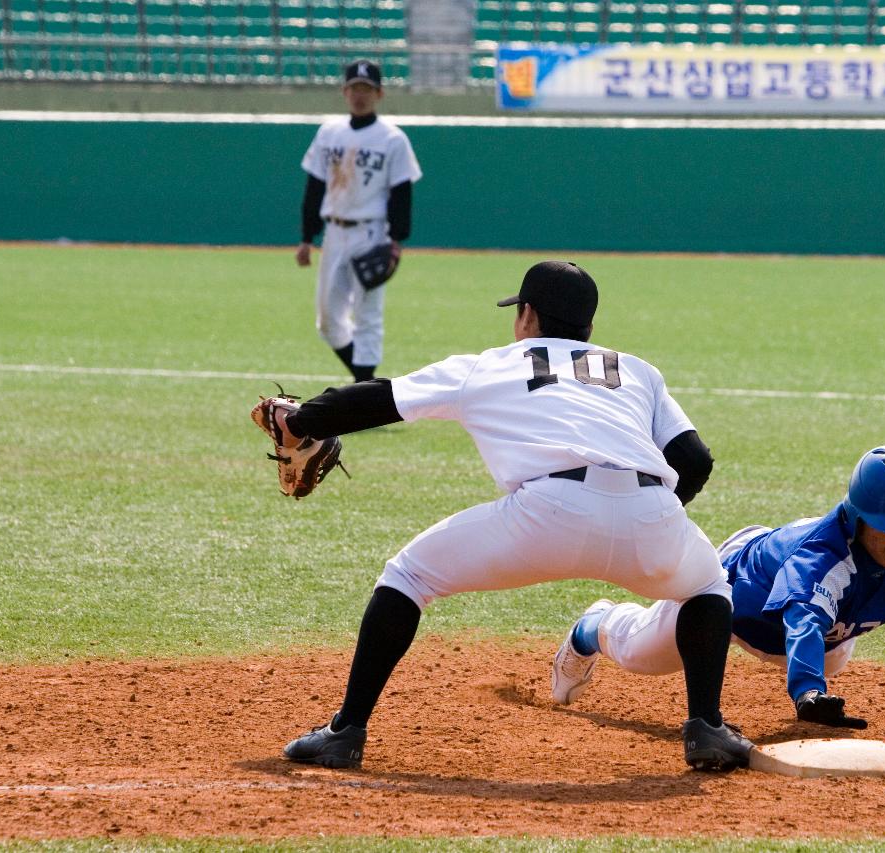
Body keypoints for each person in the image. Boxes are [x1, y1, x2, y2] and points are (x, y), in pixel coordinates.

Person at [257, 260, 754, 771]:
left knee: (408, 576)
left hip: (546, 514)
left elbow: (380, 398)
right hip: (650, 512)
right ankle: (706, 729)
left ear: (528, 315)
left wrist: (300, 419)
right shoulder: (636, 370)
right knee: (707, 586)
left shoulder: (491, 364)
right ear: (589, 326)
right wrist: (649, 521)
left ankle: (345, 734)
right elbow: (695, 460)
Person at [551, 445, 885, 755]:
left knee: (830, 659)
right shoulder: (820, 557)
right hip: (731, 595)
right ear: (859, 517)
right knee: (641, 654)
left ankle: (815, 672)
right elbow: (804, 618)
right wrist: (807, 692)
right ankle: (592, 626)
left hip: (827, 631)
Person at [296, 59, 422, 382]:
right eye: (354, 88)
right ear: (344, 92)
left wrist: (396, 242)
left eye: (366, 88)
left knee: (368, 316)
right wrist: (307, 237)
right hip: (334, 233)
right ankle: (368, 386)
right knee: (327, 319)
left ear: (379, 93)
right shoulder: (329, 133)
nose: (360, 94)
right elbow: (315, 187)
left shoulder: (393, 139)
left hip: (371, 232)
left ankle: (363, 388)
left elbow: (401, 193)